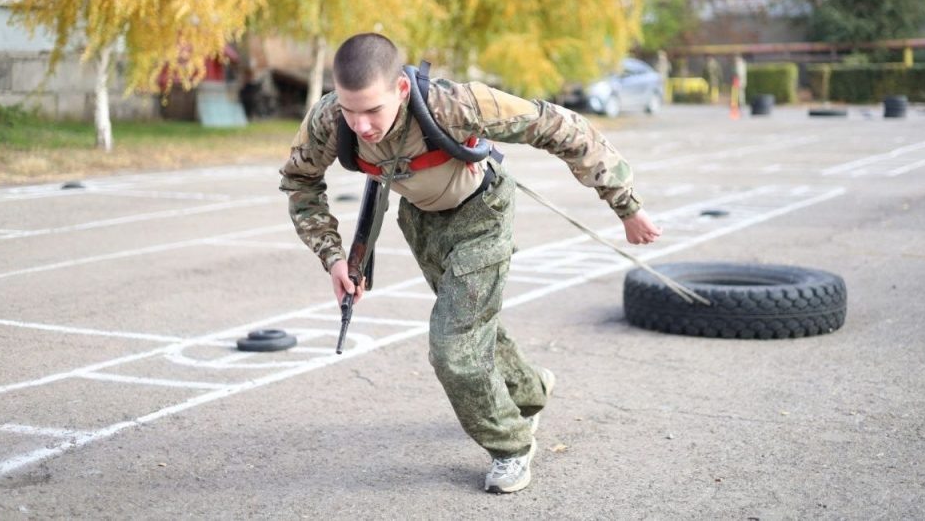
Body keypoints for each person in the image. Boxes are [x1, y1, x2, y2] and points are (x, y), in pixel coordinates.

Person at [279, 33, 661, 494]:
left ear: (401, 90)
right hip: (420, 221)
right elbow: (300, 182)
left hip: (483, 213)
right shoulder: (328, 119)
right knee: (472, 321)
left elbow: (562, 127)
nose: (360, 126)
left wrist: (627, 206)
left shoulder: (454, 105)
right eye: (349, 110)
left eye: (372, 110)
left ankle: (511, 447)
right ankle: (529, 391)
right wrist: (335, 257)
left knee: (454, 346)